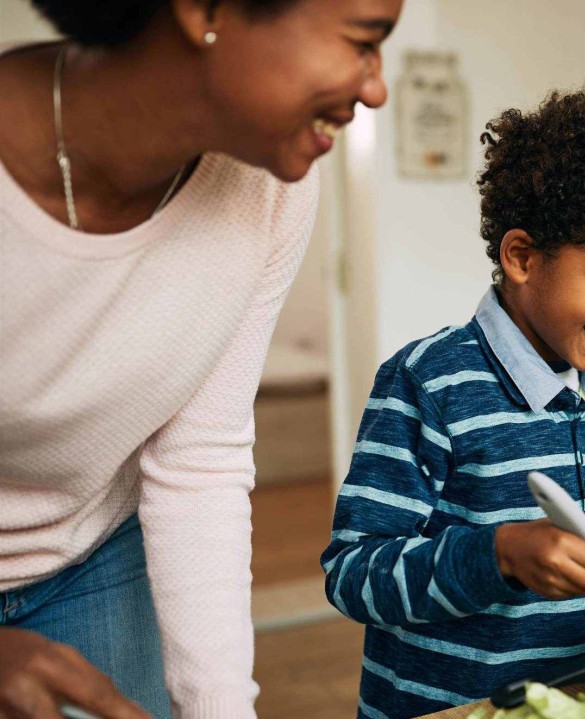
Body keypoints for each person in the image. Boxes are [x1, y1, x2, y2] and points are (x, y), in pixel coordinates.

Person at [0, 0, 403, 716]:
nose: (376, 87)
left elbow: (199, 457)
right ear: (205, 10)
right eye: (363, 41)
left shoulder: (272, 189)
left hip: (90, 550)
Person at [321, 87, 585, 719]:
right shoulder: (427, 382)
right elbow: (354, 572)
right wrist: (501, 554)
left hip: (584, 699)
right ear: (520, 257)